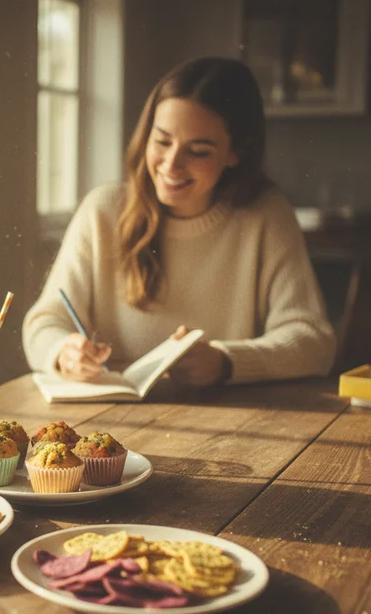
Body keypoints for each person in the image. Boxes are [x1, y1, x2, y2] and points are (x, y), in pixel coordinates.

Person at [23, 57, 335, 385]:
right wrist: (63, 353)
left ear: (235, 152)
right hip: (110, 421)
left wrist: (226, 361)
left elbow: (313, 340)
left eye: (198, 151)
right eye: (162, 141)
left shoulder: (264, 215)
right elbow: (44, 323)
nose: (171, 165)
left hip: (232, 423)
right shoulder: (102, 211)